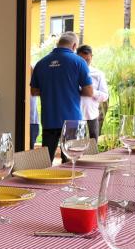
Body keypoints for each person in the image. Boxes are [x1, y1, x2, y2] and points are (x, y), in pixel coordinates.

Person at [30, 32, 94, 162]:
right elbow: (89, 91)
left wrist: (51, 90)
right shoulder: (79, 62)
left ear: (58, 44)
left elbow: (34, 91)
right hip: (72, 120)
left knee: (45, 163)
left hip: (49, 119)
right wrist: (71, 90)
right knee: (71, 162)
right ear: (74, 45)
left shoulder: (41, 63)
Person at [75, 45, 108, 139]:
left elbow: (105, 96)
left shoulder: (98, 74)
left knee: (92, 150)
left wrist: (90, 92)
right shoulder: (71, 73)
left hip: (92, 117)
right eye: (82, 59)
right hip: (75, 118)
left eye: (87, 59)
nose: (85, 62)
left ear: (91, 57)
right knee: (75, 149)